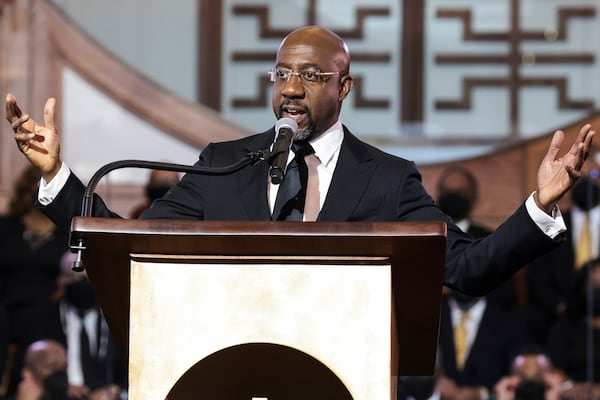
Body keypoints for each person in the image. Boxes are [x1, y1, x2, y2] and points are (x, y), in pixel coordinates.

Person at [3, 25, 596, 304]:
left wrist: (538, 204)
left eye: (312, 76)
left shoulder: (386, 179)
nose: (292, 87)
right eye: (283, 73)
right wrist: (58, 176)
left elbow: (468, 268)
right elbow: (130, 245)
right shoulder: (223, 165)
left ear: (345, 87)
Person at [0, 166, 69, 396]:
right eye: (33, 183)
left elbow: (72, 273)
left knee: (40, 317)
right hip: (7, 303)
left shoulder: (66, 233)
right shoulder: (6, 227)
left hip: (50, 305)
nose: (38, 190)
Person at [526, 174, 600, 344]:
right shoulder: (548, 226)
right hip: (561, 318)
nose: (587, 180)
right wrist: (561, 306)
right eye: (581, 175)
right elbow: (537, 278)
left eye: (595, 174)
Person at [436, 165, 518, 311]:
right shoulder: (425, 240)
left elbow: (505, 295)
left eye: (460, 192)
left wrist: (458, 288)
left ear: (473, 196)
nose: (453, 196)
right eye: (448, 192)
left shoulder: (491, 240)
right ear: (439, 195)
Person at [52, 252, 125, 400]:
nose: (82, 284)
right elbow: (34, 366)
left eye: (87, 278)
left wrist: (114, 390)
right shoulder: (45, 317)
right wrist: (61, 387)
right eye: (75, 277)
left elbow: (130, 368)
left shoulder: (115, 319)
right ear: (61, 280)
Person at [435, 290, 527, 400]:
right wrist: (435, 384)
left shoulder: (508, 322)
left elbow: (518, 379)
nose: (463, 280)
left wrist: (484, 394)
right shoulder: (428, 319)